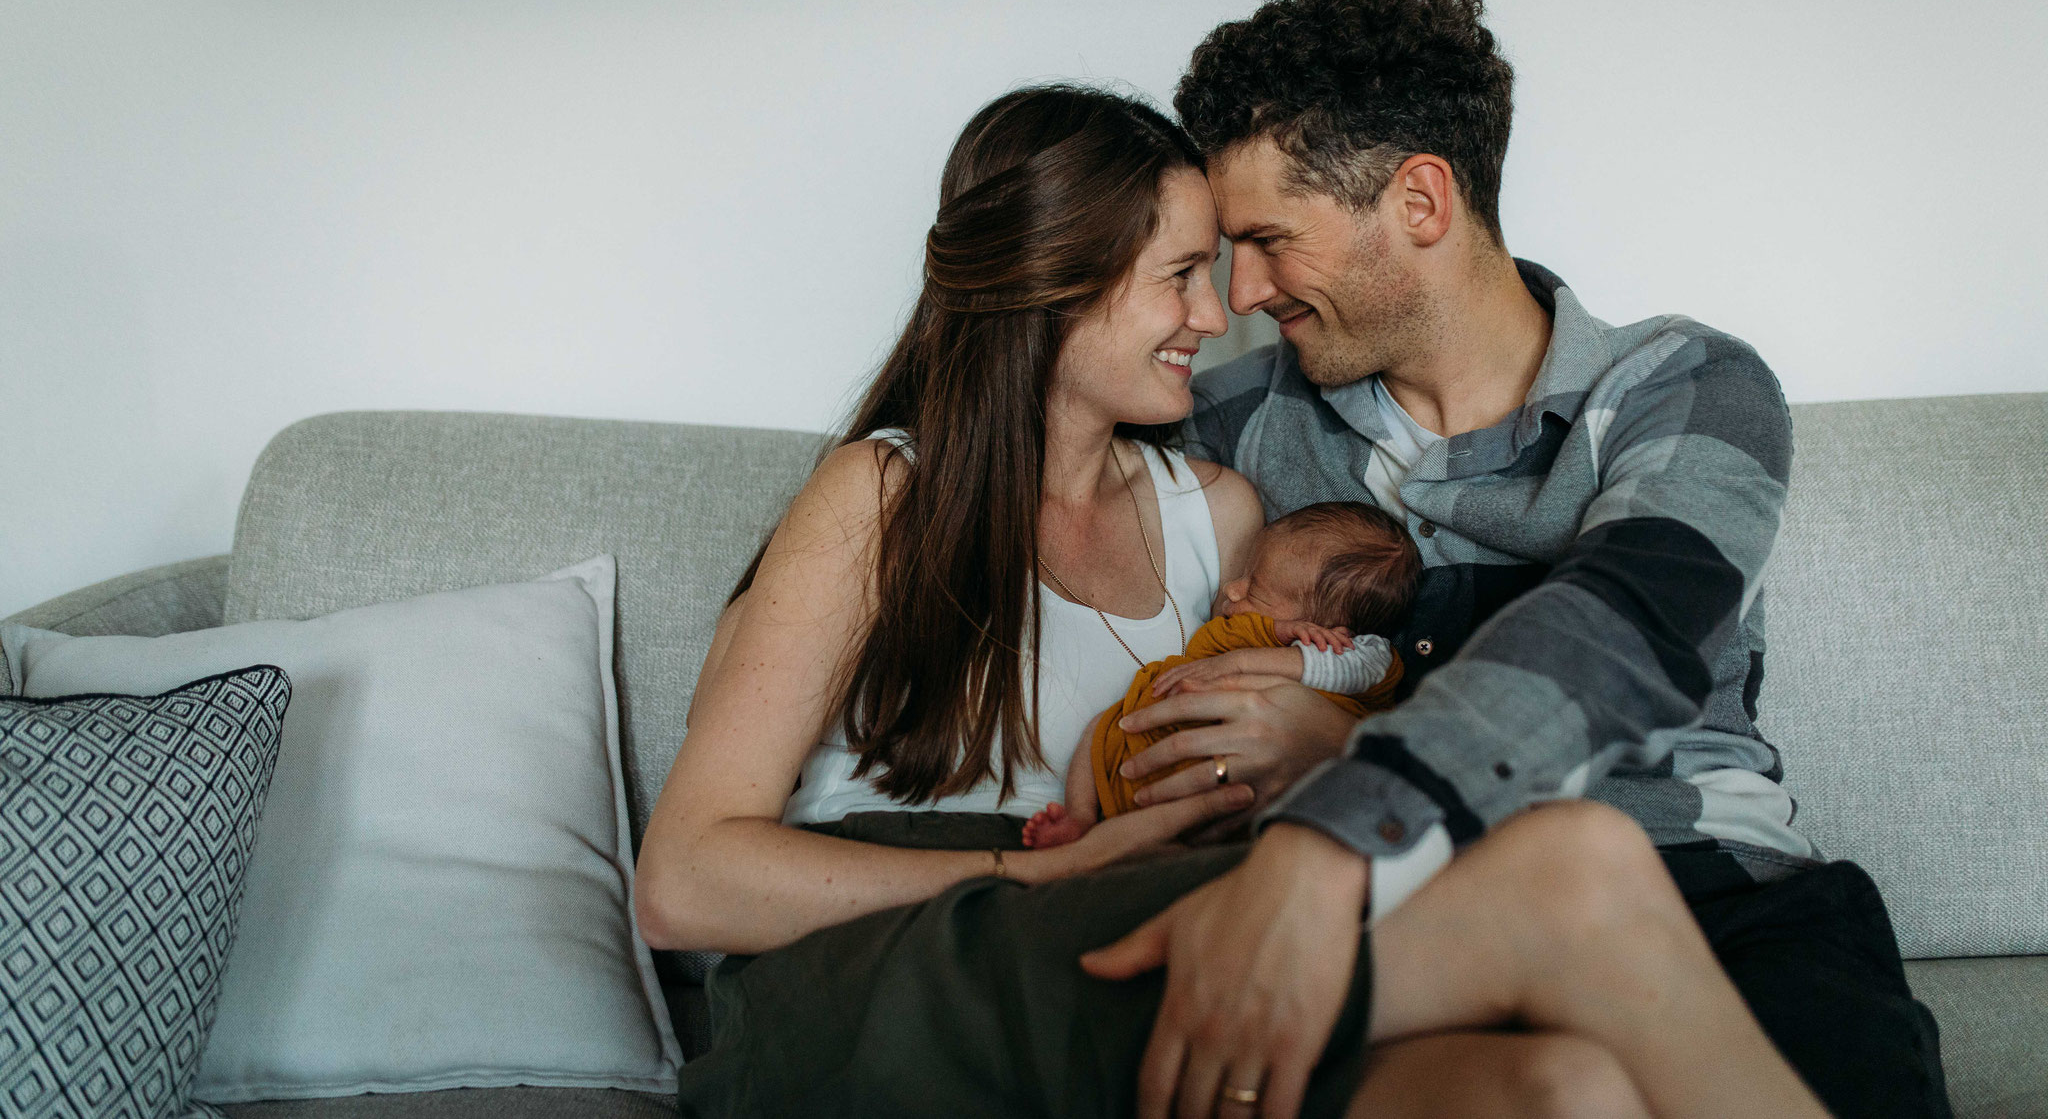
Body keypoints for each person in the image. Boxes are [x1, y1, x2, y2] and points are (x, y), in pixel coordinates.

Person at [637, 82, 1839, 1119]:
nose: (1220, 316)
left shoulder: (1216, 510)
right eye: (1182, 276)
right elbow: (683, 884)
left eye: (1223, 269)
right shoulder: (884, 495)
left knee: (1557, 1089)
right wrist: (1037, 875)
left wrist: (1308, 751)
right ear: (1051, 281)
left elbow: (1350, 677)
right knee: (1572, 870)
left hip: (1123, 911)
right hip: (899, 952)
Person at [1088, 0, 1949, 1119]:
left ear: (1419, 202)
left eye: (1269, 240)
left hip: (1711, 896)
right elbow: (1024, 462)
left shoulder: (1680, 389)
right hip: (1421, 922)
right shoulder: (1237, 424)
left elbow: (1618, 637)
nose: (1238, 294)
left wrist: (1342, 779)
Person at [1023, 499, 1415, 850]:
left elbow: (1340, 669)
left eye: (1254, 588)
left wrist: (1258, 653)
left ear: (1326, 627)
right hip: (1142, 736)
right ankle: (1079, 817)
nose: (1232, 588)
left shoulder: (1361, 655)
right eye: (1244, 574)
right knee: (1099, 727)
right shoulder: (1245, 628)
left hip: (1222, 775)